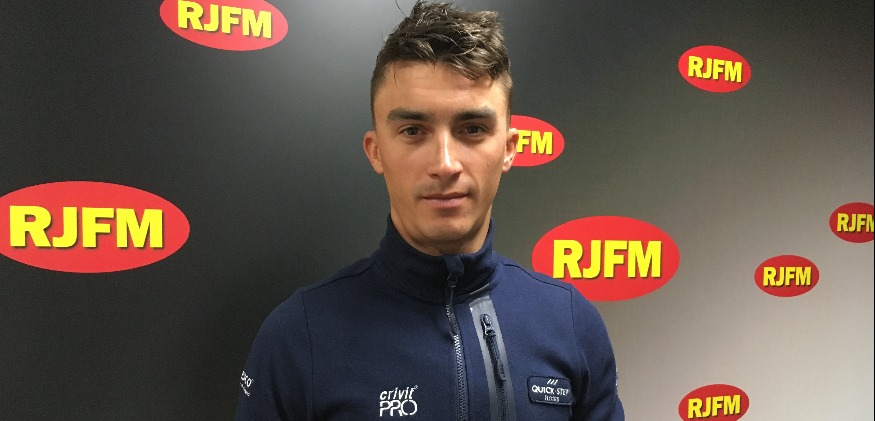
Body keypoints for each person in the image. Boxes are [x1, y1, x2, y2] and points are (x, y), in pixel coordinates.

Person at [235, 2, 624, 420]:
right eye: (413, 131)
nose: (445, 163)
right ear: (376, 151)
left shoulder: (571, 323)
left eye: (472, 129)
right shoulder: (299, 337)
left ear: (509, 149)